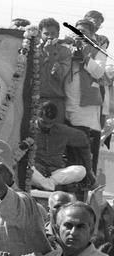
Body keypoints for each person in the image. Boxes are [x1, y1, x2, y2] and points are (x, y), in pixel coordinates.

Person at [64, 19, 106, 173]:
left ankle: (85, 184)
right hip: (65, 106)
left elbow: (99, 72)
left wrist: (85, 56)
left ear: (92, 36)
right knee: (66, 154)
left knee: (83, 153)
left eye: (84, 33)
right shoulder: (67, 48)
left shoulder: (97, 52)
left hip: (85, 111)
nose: (80, 35)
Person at [30, 101, 94, 190]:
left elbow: (83, 139)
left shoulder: (62, 130)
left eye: (50, 123)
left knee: (81, 170)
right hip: (37, 171)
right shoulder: (28, 129)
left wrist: (89, 169)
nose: (47, 126)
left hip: (56, 174)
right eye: (44, 122)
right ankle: (48, 185)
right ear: (38, 116)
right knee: (28, 169)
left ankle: (48, 184)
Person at [38, 17, 72, 123]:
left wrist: (51, 55)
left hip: (56, 100)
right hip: (36, 101)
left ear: (58, 34)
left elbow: (59, 75)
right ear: (40, 34)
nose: (50, 37)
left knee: (56, 135)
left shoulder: (64, 52)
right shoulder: (34, 50)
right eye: (46, 34)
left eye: (53, 33)